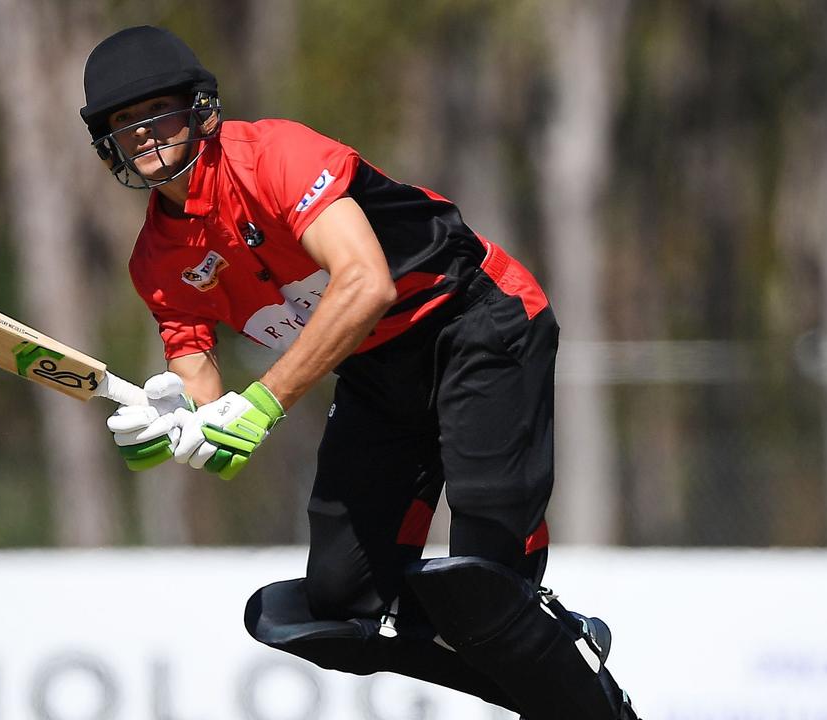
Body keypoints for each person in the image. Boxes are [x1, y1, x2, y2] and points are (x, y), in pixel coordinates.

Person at [82, 25, 640, 720]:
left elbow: (365, 284)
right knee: (340, 601)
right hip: (377, 369)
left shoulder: (275, 157)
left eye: (155, 110)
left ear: (201, 110)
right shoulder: (156, 262)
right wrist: (175, 426)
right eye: (123, 123)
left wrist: (259, 406)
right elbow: (196, 380)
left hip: (475, 322)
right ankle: (498, 647)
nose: (142, 133)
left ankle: (543, 633)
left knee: (485, 578)